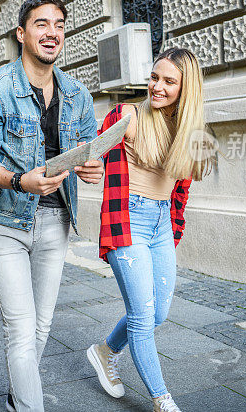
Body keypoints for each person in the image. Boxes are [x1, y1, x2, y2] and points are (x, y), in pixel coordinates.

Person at [0, 0, 105, 412]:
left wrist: (90, 167)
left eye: (59, 24)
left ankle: (16, 398)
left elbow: (84, 148)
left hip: (55, 218)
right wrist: (17, 181)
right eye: (42, 24)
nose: (53, 32)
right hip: (4, 220)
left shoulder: (77, 93)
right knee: (22, 327)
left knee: (41, 325)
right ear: (22, 33)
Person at [85, 48, 211, 412]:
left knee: (158, 314)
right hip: (128, 221)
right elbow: (92, 153)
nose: (157, 86)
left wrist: (172, 233)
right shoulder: (127, 115)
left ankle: (105, 350)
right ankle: (162, 399)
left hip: (159, 225)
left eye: (169, 81)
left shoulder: (191, 130)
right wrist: (86, 163)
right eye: (155, 77)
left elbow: (181, 190)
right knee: (142, 316)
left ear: (186, 88)